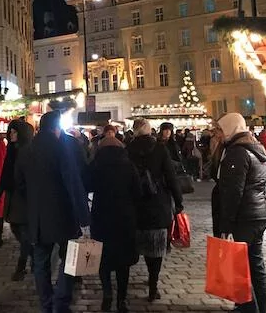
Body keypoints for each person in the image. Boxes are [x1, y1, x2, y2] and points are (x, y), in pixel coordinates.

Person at [16, 111, 90, 313]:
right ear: (57, 128)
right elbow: (73, 182)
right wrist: (84, 217)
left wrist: (34, 200)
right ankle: (61, 302)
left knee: (40, 263)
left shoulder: (26, 150)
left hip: (37, 217)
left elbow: (19, 183)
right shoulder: (63, 148)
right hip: (64, 214)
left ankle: (46, 304)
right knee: (69, 260)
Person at [216, 113, 266, 313]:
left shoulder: (237, 152)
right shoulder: (256, 148)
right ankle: (260, 308)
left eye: (221, 130)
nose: (219, 134)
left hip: (244, 218)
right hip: (257, 214)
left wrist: (227, 224)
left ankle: (250, 308)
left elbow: (233, 192)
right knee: (255, 266)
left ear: (230, 129)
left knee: (240, 268)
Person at [127, 118, 183, 302]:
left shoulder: (128, 149)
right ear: (149, 131)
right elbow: (171, 176)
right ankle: (153, 285)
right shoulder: (160, 148)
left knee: (140, 241)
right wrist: (178, 201)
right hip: (158, 203)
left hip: (136, 204)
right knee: (157, 247)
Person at [85, 134, 140, 313]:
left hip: (102, 217)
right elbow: (137, 191)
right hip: (124, 218)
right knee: (123, 262)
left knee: (103, 258)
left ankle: (107, 293)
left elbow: (88, 185)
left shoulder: (96, 165)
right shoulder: (128, 166)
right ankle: (121, 299)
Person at [0, 119, 34, 281]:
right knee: (16, 228)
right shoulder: (13, 150)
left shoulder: (28, 151)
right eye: (10, 131)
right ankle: (34, 257)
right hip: (13, 195)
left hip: (23, 197)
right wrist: (0, 190)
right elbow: (6, 171)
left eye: (14, 132)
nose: (11, 134)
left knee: (24, 232)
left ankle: (22, 264)